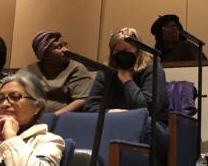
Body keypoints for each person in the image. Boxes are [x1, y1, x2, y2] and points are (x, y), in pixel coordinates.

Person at [85, 27, 169, 156]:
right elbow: (90, 107)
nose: (122, 54)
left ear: (138, 52)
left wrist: (127, 81)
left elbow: (148, 109)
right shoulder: (106, 72)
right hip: (113, 123)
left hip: (151, 127)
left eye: (127, 51)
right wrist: (113, 112)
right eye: (118, 51)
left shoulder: (153, 70)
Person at [23, 31, 93, 115]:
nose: (66, 50)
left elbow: (82, 100)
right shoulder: (29, 71)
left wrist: (53, 116)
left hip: (64, 120)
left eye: (65, 45)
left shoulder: (76, 68)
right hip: (30, 118)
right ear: (44, 54)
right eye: (58, 47)